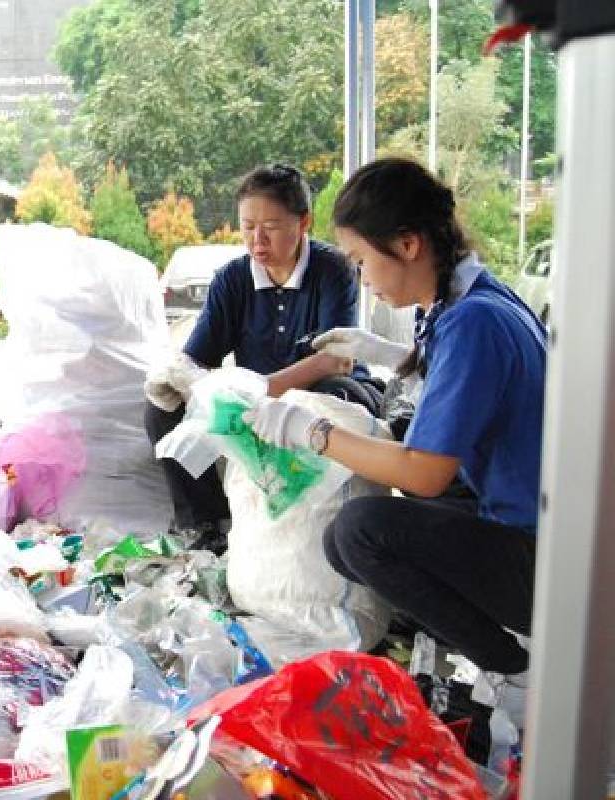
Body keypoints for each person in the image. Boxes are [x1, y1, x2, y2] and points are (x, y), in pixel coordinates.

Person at [245, 157, 545, 698]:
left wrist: (311, 431)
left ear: (407, 245)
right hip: (537, 519)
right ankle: (469, 635)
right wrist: (387, 353)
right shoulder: (475, 298)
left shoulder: (472, 321)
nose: (361, 277)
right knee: (364, 528)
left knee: (360, 531)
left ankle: (516, 671)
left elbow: (424, 474)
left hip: (545, 555)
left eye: (361, 260)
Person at [144, 163, 375, 540]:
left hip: (328, 388)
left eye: (270, 227)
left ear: (304, 223)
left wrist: (261, 389)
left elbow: (337, 359)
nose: (257, 240)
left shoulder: (332, 270)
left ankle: (321, 530)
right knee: (163, 408)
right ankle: (208, 524)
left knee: (332, 399)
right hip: (255, 399)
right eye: (248, 227)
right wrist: (184, 380)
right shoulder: (232, 280)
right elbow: (198, 359)